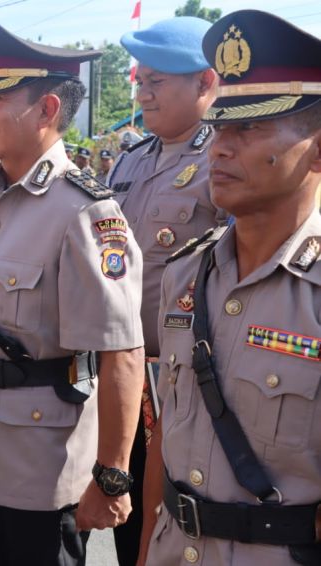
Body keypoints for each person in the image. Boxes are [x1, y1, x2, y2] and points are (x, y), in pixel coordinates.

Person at [0, 20, 145, 566]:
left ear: (47, 110)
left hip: (42, 462)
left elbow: (122, 350)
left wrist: (111, 474)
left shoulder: (85, 210)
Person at [139, 10, 321, 566]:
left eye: (250, 127)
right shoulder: (186, 275)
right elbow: (167, 433)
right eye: (220, 126)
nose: (219, 148)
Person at [106, 16, 228, 566]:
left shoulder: (224, 160)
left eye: (158, 80)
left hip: (176, 382)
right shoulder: (132, 158)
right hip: (113, 373)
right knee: (117, 508)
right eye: (141, 79)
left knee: (168, 524)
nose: (142, 91)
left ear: (205, 83)